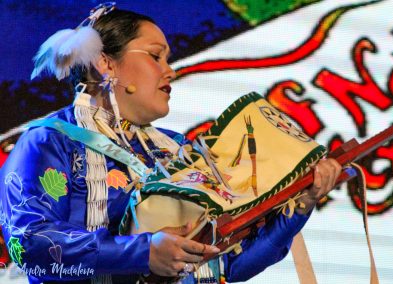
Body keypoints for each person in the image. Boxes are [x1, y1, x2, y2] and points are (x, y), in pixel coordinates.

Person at [0, 3, 341, 284]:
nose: (170, 71)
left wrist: (301, 205)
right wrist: (143, 252)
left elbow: (226, 266)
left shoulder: (177, 153)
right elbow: (27, 243)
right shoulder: (50, 142)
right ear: (105, 63)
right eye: (156, 56)